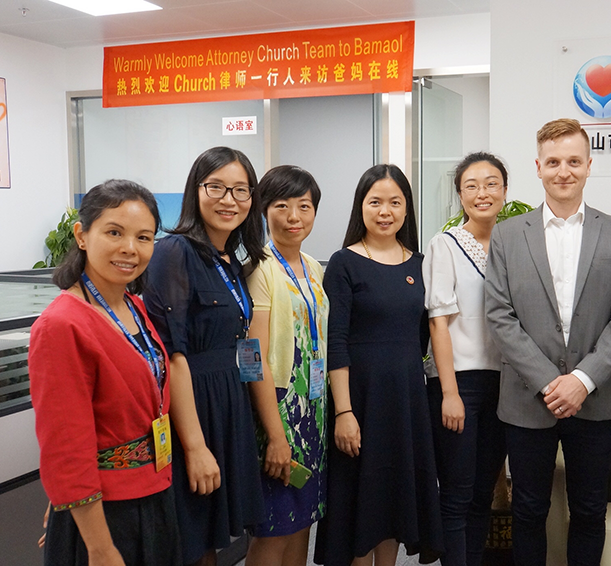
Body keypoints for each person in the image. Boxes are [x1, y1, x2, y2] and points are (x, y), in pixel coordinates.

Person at [483, 118, 611, 566]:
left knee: (590, 510)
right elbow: (499, 315)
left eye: (574, 161)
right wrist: (550, 382)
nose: (564, 171)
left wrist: (582, 380)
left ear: (589, 165)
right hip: (527, 398)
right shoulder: (508, 234)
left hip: (596, 398)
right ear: (538, 167)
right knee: (529, 510)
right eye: (553, 162)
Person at [31, 180, 181, 565]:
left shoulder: (133, 307)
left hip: (153, 491)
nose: (130, 248)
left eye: (144, 237)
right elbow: (66, 445)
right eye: (114, 232)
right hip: (107, 516)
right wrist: (99, 546)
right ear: (82, 235)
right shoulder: (61, 325)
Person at [315, 164, 444, 566]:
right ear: (361, 206)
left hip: (406, 401)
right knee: (362, 503)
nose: (385, 211)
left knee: (394, 503)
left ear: (407, 209)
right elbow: (335, 341)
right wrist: (344, 412)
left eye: (395, 202)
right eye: (375, 202)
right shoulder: (344, 263)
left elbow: (424, 336)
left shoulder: (420, 264)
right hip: (360, 400)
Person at [143, 147, 266, 566]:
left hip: (228, 404)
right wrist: (194, 447)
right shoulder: (174, 252)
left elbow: (241, 343)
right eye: (217, 187)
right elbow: (171, 355)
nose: (229, 200)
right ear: (195, 190)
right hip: (192, 408)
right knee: (192, 542)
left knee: (211, 541)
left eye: (240, 190)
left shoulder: (230, 259)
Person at [424, 152, 510, 566]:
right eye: (471, 186)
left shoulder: (514, 244)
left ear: (505, 191)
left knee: (482, 494)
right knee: (457, 495)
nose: (482, 193)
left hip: (505, 386)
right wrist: (449, 392)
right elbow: (438, 322)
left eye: (491, 184)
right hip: (459, 384)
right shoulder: (446, 244)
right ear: (460, 195)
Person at [245, 165, 329, 566]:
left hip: (313, 408)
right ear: (264, 210)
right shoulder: (259, 268)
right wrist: (275, 436)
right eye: (282, 205)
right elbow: (252, 358)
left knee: (302, 519)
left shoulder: (313, 267)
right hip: (277, 411)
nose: (294, 216)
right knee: (274, 528)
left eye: (304, 206)